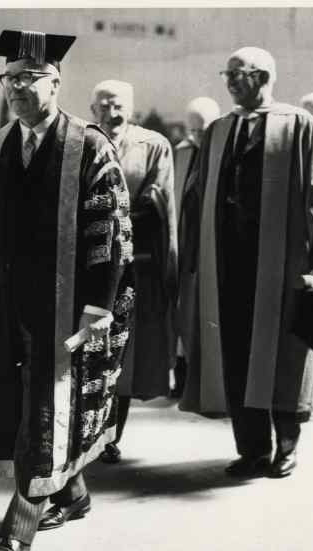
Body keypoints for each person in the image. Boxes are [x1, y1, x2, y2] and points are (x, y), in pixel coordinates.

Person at [0, 30, 133, 551]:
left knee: (43, 408)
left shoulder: (90, 144)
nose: (18, 88)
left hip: (66, 306)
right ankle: (72, 491)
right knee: (22, 403)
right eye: (10, 78)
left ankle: (18, 531)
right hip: (1, 302)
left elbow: (112, 231)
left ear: (56, 82)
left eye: (30, 78)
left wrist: (98, 307)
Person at [179, 47, 313, 478]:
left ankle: (287, 446)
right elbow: (195, 198)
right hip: (228, 262)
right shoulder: (219, 130)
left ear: (264, 76)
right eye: (228, 73)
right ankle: (252, 449)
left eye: (238, 74)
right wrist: (194, 258)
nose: (230, 81)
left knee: (285, 355)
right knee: (237, 353)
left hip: (283, 260)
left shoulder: (298, 125)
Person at [91, 80, 177, 464]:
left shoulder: (153, 144)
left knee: (123, 354)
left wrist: (111, 219)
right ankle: (89, 435)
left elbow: (157, 198)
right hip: (89, 266)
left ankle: (110, 436)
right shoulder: (81, 143)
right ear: (94, 110)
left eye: (120, 104)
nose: (114, 111)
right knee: (92, 351)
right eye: (106, 105)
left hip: (133, 264)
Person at [173, 96, 221, 398]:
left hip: (212, 246)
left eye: (202, 131)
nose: (197, 137)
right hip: (184, 242)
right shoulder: (180, 153)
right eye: (192, 131)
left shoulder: (222, 153)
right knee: (184, 311)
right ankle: (183, 377)